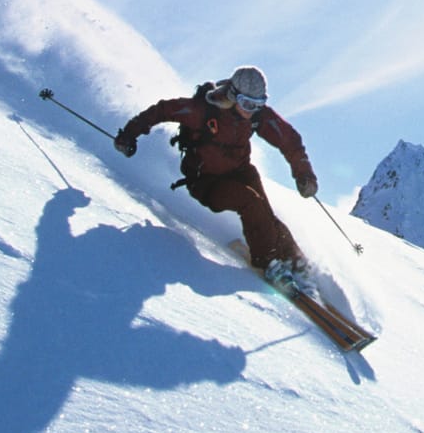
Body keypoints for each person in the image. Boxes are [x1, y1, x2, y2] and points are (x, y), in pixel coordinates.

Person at [114, 65, 319, 281]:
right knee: (251, 202)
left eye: (258, 105)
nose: (251, 111)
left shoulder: (256, 116)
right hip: (206, 182)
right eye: (247, 104)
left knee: (265, 215)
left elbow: (289, 139)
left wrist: (304, 174)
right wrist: (129, 134)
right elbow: (162, 110)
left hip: (240, 171)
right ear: (233, 96)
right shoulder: (202, 110)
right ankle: (269, 262)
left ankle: (297, 263)